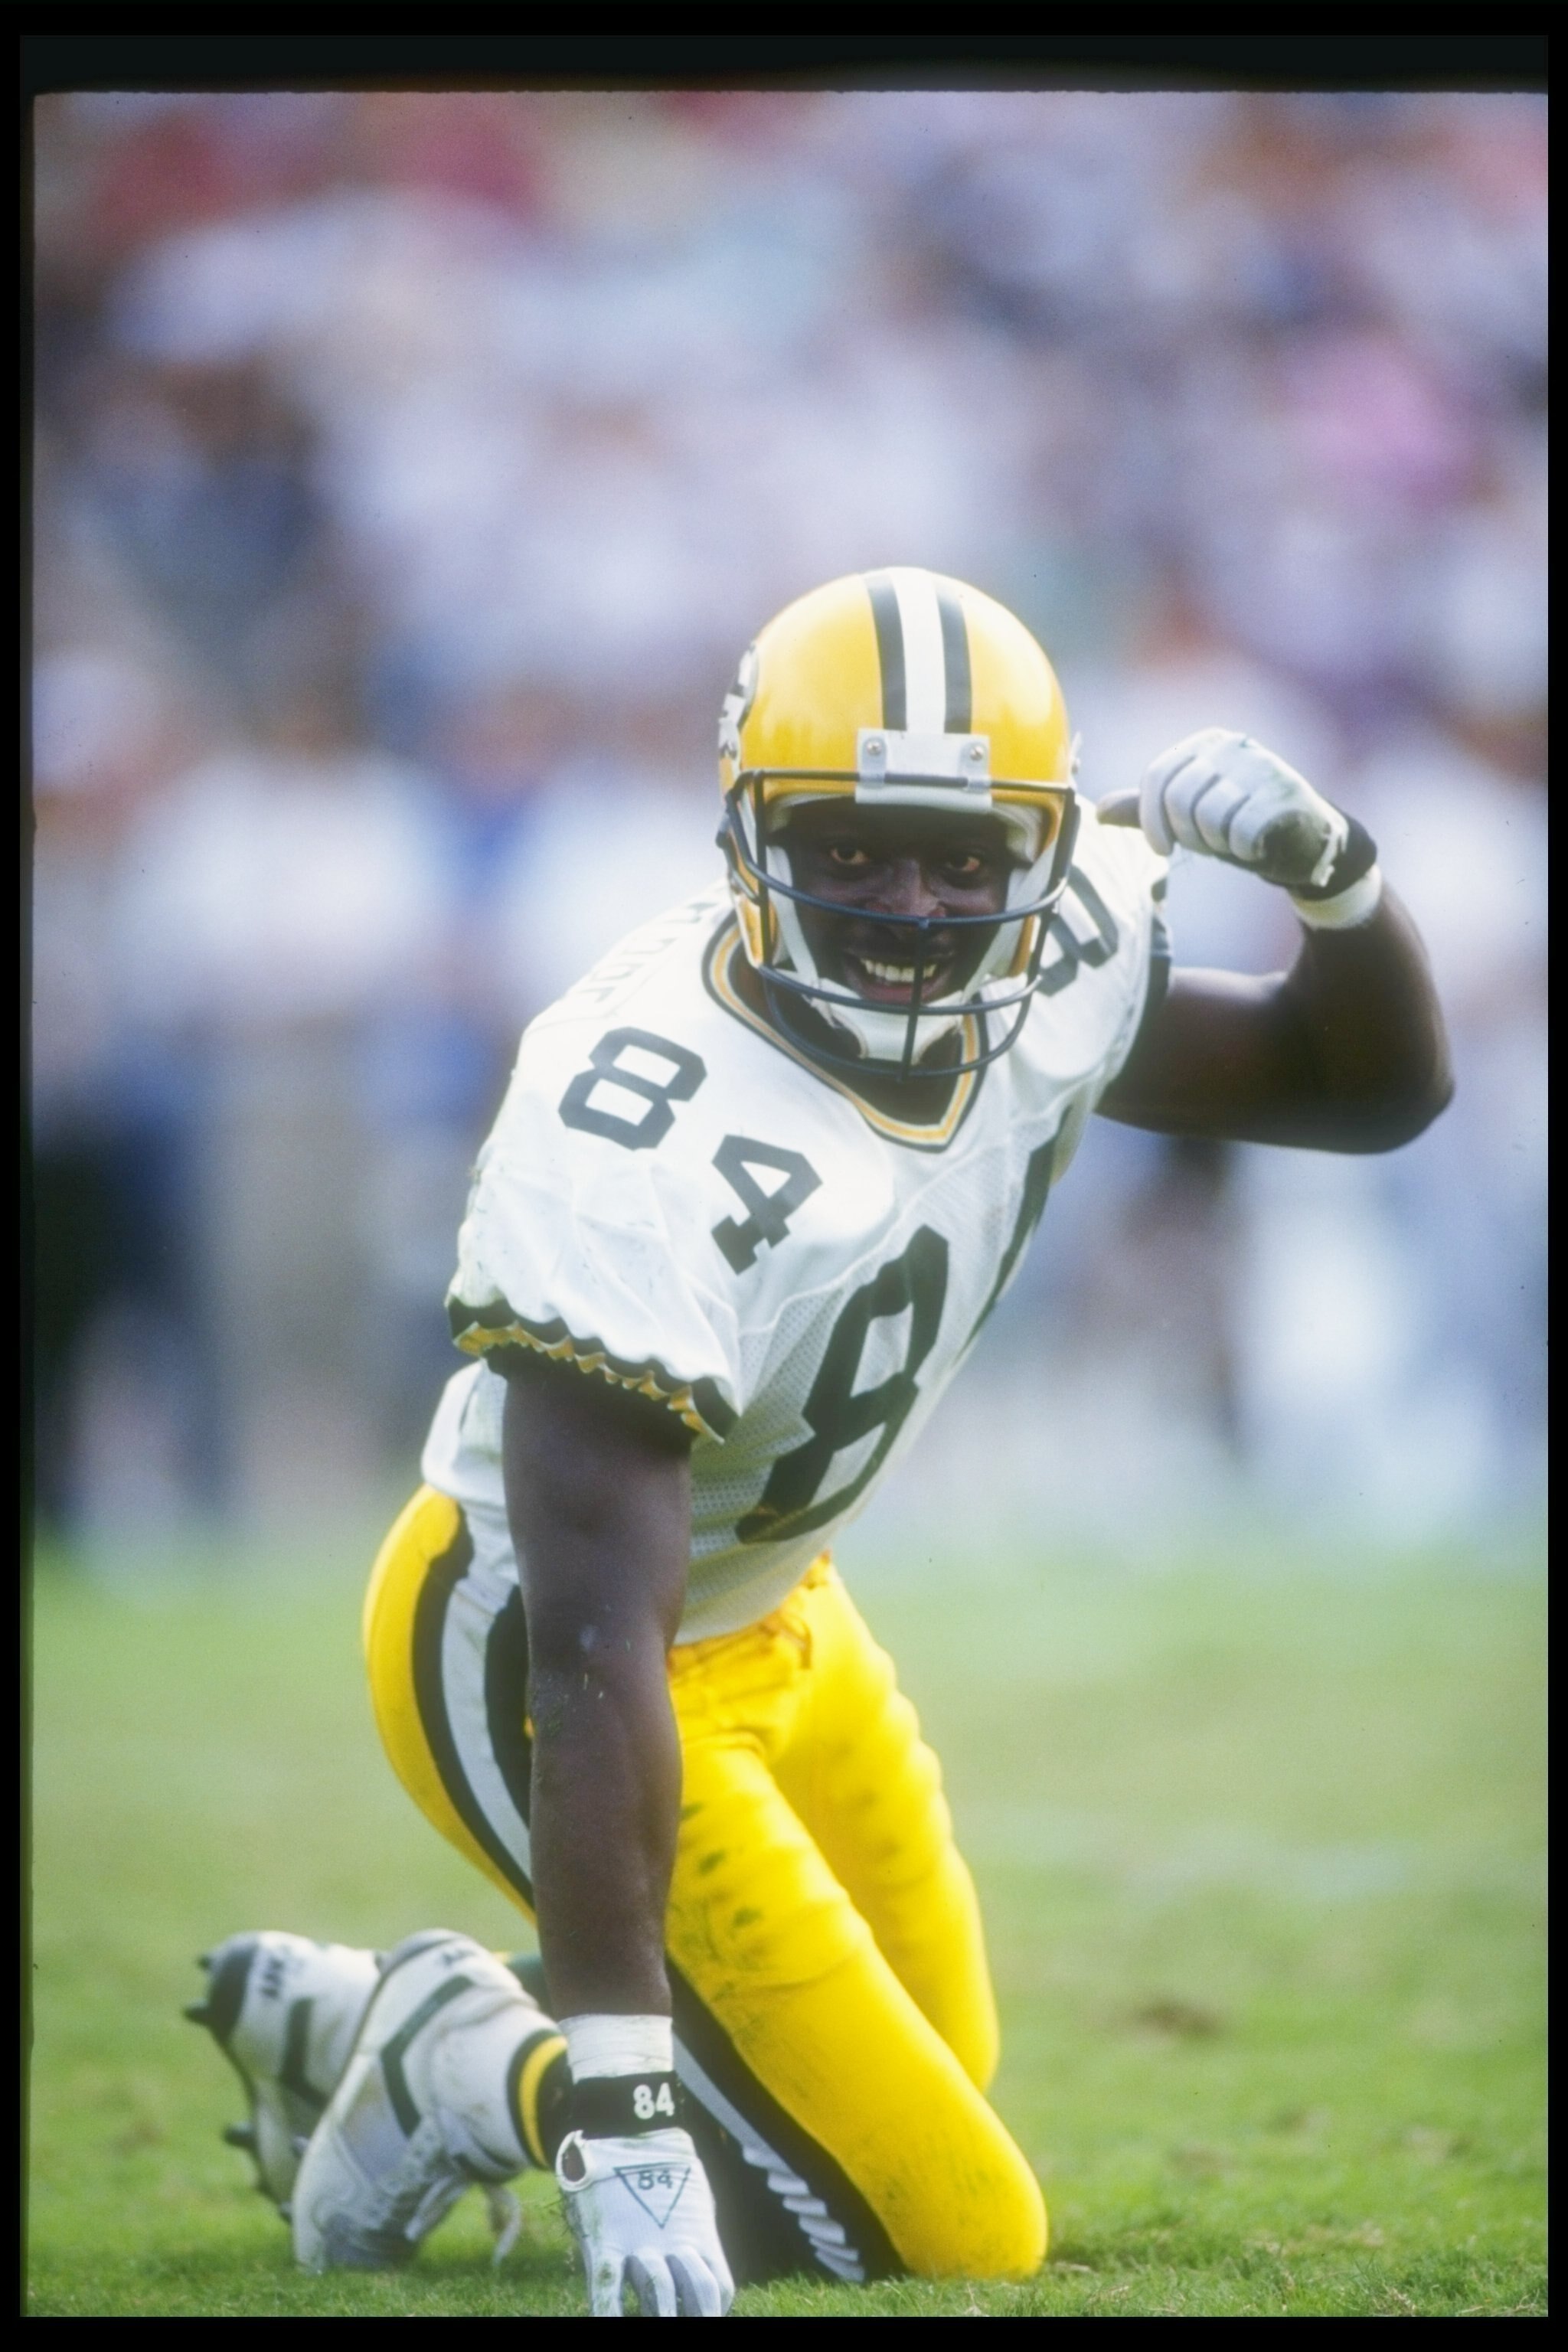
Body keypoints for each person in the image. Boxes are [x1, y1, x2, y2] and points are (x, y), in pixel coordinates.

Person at [185, 570, 1451, 2314]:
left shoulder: (1054, 947)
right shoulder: (633, 1121)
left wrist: (1341, 884)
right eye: (847, 847)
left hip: (784, 1608)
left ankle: (410, 2021)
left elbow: (1361, 1090)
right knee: (929, 2227)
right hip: (548, 1644)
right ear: (748, 833)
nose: (911, 903)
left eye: (960, 857)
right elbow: (587, 1639)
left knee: (939, 2066)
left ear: (1039, 849)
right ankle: (472, 2064)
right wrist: (620, 2127)